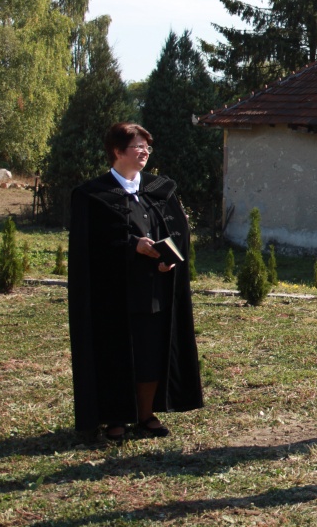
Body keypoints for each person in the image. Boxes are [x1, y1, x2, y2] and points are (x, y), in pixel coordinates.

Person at [68, 122, 203, 442]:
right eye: (137, 147)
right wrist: (132, 246)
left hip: (153, 290)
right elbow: (89, 245)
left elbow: (177, 231)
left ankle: (145, 414)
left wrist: (169, 258)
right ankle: (115, 418)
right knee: (114, 355)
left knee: (150, 354)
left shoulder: (159, 190)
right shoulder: (92, 195)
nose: (144, 152)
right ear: (117, 151)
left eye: (147, 147)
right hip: (111, 293)